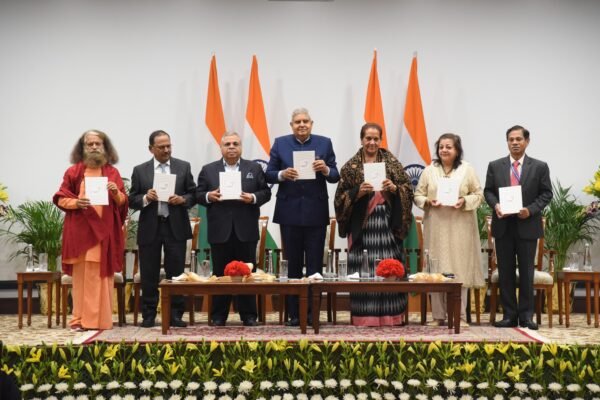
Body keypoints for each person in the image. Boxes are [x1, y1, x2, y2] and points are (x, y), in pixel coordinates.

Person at [266, 108, 340, 326]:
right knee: (293, 266)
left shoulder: (324, 143)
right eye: (297, 122)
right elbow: (268, 174)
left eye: (305, 121)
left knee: (315, 266)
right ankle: (294, 314)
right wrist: (282, 174)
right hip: (289, 213)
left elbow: (336, 176)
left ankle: (312, 314)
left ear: (311, 123)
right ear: (291, 125)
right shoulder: (280, 143)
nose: (301, 125)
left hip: (316, 213)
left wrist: (325, 169)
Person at [334, 123, 413, 326]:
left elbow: (407, 188)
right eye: (368, 138)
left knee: (389, 268)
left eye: (376, 138)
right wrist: (357, 193)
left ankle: (392, 317)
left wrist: (394, 188)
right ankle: (364, 317)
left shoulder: (391, 161)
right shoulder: (351, 167)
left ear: (380, 140)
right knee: (364, 269)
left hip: (387, 225)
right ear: (362, 139)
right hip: (362, 228)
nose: (372, 142)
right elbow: (339, 199)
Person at [53, 130, 128, 331]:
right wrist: (77, 202)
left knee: (102, 278)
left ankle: (100, 320)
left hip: (104, 234)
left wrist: (115, 192)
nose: (94, 147)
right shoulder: (73, 172)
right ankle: (79, 320)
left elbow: (122, 202)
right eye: (90, 144)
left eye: (98, 144)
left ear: (105, 147)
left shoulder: (112, 173)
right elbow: (61, 198)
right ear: (83, 148)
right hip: (81, 234)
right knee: (81, 279)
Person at [197, 132, 271, 326]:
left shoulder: (254, 168)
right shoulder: (208, 170)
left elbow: (266, 192)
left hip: (245, 229)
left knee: (246, 272)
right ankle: (218, 315)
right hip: (219, 230)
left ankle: (248, 315)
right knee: (221, 273)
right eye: (227, 144)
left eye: (235, 144)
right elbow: (197, 194)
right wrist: (208, 196)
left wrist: (253, 198)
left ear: (241, 147)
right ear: (220, 148)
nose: (231, 147)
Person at [484, 125, 552, 330]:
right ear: (507, 142)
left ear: (527, 141)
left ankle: (526, 316)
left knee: (526, 272)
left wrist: (529, 210)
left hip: (527, 225)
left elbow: (546, 194)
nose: (514, 142)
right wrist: (496, 205)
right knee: (505, 272)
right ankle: (509, 316)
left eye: (518, 139)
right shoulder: (495, 166)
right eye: (511, 139)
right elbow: (488, 191)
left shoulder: (540, 166)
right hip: (503, 226)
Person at [414, 133, 486, 327]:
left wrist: (464, 201)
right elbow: (418, 195)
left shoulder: (467, 169)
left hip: (460, 226)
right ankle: (438, 316)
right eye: (441, 147)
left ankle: (459, 316)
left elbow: (479, 195)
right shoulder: (430, 170)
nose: (444, 150)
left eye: (449, 147)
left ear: (457, 150)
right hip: (436, 225)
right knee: (435, 270)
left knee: (458, 269)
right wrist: (428, 201)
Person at [129, 130, 197, 328]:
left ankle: (175, 315)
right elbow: (132, 199)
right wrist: (145, 197)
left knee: (175, 273)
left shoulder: (183, 166)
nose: (166, 150)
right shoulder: (140, 170)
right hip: (151, 226)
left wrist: (183, 199)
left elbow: (193, 194)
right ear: (151, 149)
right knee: (149, 273)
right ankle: (148, 315)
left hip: (175, 225)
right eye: (161, 147)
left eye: (169, 146)